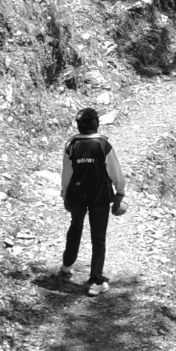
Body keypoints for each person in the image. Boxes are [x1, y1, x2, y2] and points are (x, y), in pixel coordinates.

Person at [59, 107, 126, 295]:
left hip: (76, 196)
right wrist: (120, 192)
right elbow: (115, 172)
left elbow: (67, 174)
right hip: (100, 197)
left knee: (75, 228)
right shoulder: (103, 145)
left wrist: (65, 195)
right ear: (95, 124)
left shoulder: (71, 144)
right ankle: (95, 281)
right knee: (98, 238)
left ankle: (66, 266)